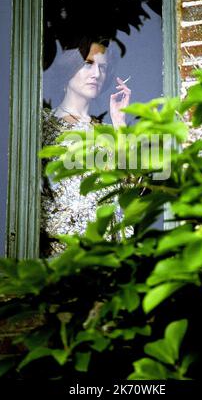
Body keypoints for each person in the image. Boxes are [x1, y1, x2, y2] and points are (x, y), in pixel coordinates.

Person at [40, 38, 133, 257]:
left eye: (102, 67)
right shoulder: (41, 122)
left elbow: (126, 192)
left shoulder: (108, 132)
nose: (96, 74)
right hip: (61, 255)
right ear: (68, 70)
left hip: (108, 257)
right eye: (88, 64)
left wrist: (119, 122)